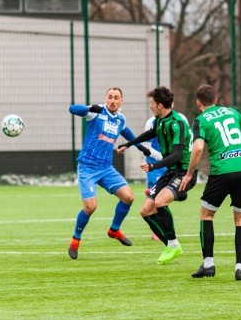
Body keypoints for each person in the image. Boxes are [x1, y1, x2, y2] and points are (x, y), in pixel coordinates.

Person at [180, 84, 241, 281]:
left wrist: (189, 173)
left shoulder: (200, 120)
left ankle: (208, 264)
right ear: (216, 100)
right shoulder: (232, 112)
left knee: (206, 215)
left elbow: (198, 149)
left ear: (198, 103)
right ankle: (240, 268)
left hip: (221, 172)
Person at [67, 87, 151, 259]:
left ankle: (114, 230)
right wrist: (90, 108)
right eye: (110, 97)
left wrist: (138, 145)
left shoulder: (120, 118)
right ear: (106, 98)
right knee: (90, 207)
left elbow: (126, 132)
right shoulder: (96, 112)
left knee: (129, 197)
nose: (112, 100)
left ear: (121, 101)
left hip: (106, 168)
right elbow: (72, 109)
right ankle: (75, 240)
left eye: (116, 98)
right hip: (87, 167)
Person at [118, 86, 196, 265]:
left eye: (152, 103)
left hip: (184, 173)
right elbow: (151, 133)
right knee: (145, 211)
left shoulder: (178, 123)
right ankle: (171, 245)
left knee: (160, 202)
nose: (150, 106)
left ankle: (174, 244)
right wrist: (128, 144)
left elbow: (176, 155)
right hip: (170, 172)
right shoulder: (160, 121)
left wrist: (153, 166)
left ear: (160, 105)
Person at [143, 115, 166, 241]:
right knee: (156, 196)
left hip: (170, 163)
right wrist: (162, 158)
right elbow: (147, 146)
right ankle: (156, 230)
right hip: (155, 164)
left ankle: (162, 227)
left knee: (164, 195)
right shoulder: (151, 121)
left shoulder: (178, 119)